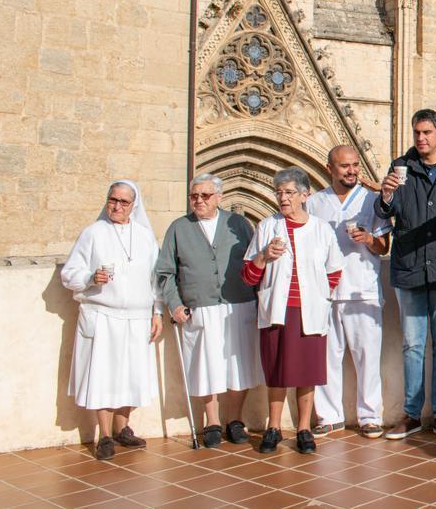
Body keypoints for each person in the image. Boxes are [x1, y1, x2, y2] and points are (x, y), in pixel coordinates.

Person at [375, 109, 436, 441]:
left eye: (427, 132)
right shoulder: (401, 166)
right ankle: (412, 414)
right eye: (417, 132)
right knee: (412, 345)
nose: (421, 139)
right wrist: (386, 194)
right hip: (410, 269)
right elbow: (385, 212)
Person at [242, 167, 343, 455]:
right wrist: (263, 256)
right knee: (277, 370)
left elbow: (334, 271)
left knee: (306, 372)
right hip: (277, 309)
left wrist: (320, 297)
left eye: (288, 193)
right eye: (279, 193)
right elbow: (248, 275)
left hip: (309, 311)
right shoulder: (266, 226)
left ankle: (303, 429)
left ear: (304, 195)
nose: (282, 198)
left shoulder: (321, 229)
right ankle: (273, 428)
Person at [156, 173, 260, 448]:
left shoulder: (238, 223)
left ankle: (234, 420)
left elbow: (255, 262)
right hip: (199, 306)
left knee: (239, 366)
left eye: (205, 196)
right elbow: (165, 272)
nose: (198, 201)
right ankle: (212, 421)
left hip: (238, 304)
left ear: (219, 197)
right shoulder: (179, 228)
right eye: (194, 196)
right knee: (206, 365)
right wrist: (174, 304)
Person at [62, 180, 163, 460]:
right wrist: (90, 278)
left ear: (134, 205)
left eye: (123, 202)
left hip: (137, 317)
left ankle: (123, 428)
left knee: (131, 375)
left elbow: (156, 279)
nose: (117, 206)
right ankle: (104, 435)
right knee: (103, 376)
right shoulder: (93, 233)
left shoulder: (144, 236)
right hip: (102, 315)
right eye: (112, 200)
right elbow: (69, 273)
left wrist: (157, 312)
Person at [310, 145, 391, 439]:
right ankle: (329, 416)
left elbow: (384, 246)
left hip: (363, 290)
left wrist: (369, 238)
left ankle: (370, 416)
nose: (352, 171)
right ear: (330, 167)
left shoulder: (372, 201)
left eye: (355, 165)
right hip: (326, 293)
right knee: (327, 357)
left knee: (368, 357)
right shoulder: (315, 203)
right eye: (345, 166)